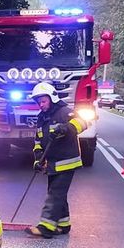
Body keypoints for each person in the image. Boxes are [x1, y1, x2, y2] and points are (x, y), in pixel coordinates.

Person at [26, 82, 88, 238]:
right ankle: (63, 224)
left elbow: (83, 123)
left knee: (55, 193)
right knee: (58, 193)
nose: (41, 105)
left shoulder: (64, 112)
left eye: (43, 101)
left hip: (67, 161)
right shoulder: (42, 118)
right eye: (38, 102)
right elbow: (38, 141)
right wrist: (38, 159)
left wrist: (66, 128)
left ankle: (46, 227)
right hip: (53, 164)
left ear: (52, 98)